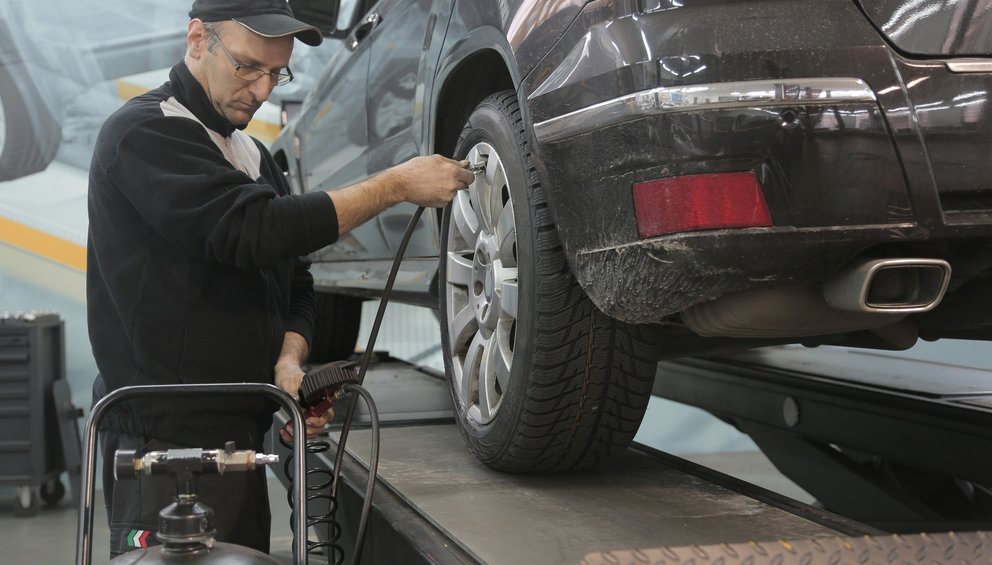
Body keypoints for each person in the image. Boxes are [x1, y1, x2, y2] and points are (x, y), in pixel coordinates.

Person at [86, 0, 475, 557]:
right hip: (165, 444)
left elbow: (295, 277)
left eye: (277, 72)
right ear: (197, 38)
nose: (263, 90)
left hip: (239, 435)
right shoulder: (145, 131)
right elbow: (252, 230)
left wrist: (288, 362)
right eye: (248, 67)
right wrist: (394, 185)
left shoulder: (251, 153)